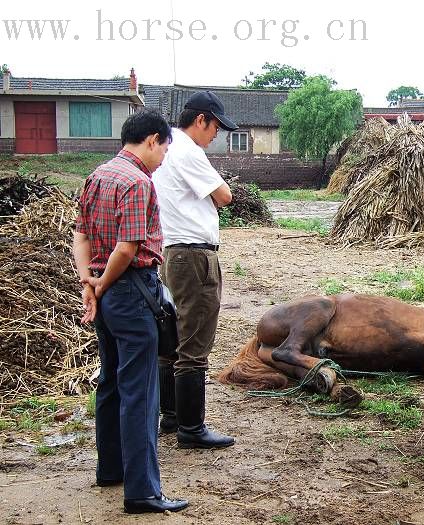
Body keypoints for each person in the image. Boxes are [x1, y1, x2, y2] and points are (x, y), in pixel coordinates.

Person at [73, 109, 188, 514]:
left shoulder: (98, 175)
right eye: (165, 149)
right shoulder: (138, 182)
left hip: (106, 295)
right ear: (153, 140)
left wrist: (90, 284)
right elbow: (127, 247)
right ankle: (142, 492)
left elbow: (81, 236)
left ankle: (113, 470)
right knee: (140, 392)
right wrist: (102, 285)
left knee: (111, 384)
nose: (163, 159)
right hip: (131, 292)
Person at [152, 91, 237, 449]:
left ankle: (171, 416)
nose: (216, 134)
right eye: (215, 126)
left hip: (168, 252)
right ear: (200, 119)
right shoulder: (188, 150)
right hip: (194, 256)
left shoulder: (163, 148)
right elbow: (225, 195)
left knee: (169, 337)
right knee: (194, 340)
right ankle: (192, 428)